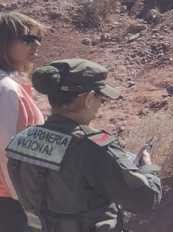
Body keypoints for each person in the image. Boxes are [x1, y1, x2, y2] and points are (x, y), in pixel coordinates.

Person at [5, 59, 162, 231]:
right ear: (88, 98)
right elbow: (144, 199)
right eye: (101, 98)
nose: (100, 105)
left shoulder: (22, 139)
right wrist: (147, 168)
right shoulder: (92, 147)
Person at [0, 12, 46, 231]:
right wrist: (30, 207)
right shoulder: (5, 90)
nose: (36, 44)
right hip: (11, 202)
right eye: (28, 39)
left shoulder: (9, 85)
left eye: (38, 39)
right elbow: (7, 153)